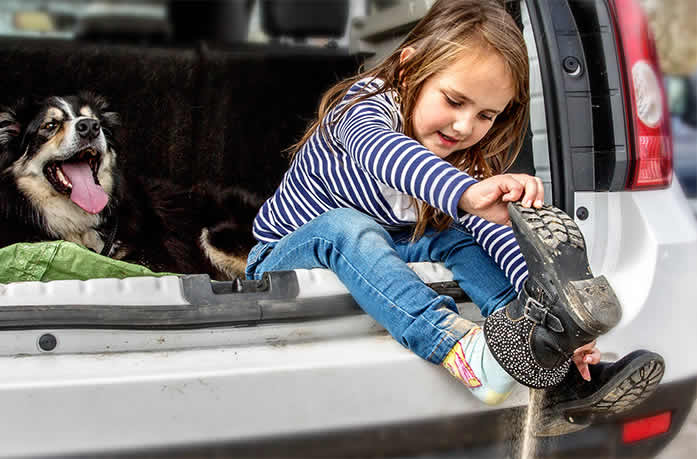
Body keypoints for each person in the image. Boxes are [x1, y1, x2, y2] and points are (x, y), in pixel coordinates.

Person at [246, 0, 663, 432]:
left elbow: (492, 231)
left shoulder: (461, 155)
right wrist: (464, 193)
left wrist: (550, 305)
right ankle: (461, 349)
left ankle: (538, 348)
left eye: (485, 115)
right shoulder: (364, 109)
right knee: (346, 226)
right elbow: (382, 153)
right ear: (410, 71)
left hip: (385, 247)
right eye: (454, 100)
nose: (464, 126)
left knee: (460, 238)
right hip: (286, 255)